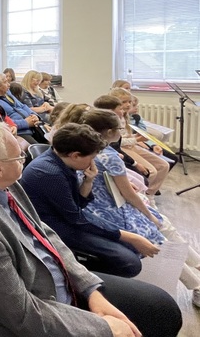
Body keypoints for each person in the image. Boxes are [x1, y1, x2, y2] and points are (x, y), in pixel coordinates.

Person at [0, 121, 182, 337]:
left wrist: (89, 288)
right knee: (156, 316)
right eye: (18, 158)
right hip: (33, 311)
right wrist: (103, 328)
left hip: (53, 283)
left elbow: (45, 234)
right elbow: (21, 314)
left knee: (162, 309)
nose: (24, 160)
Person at [79, 109, 200, 306]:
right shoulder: (108, 155)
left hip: (101, 204)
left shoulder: (88, 149)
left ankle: (197, 267)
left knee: (163, 225)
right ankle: (196, 284)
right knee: (157, 234)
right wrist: (149, 215)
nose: (122, 132)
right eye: (119, 129)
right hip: (108, 210)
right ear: (109, 132)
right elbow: (128, 194)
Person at [20, 123, 159, 278]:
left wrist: (88, 181)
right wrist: (131, 237)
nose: (93, 162)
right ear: (75, 155)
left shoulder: (62, 161)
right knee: (130, 263)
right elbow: (76, 219)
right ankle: (80, 278)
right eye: (92, 157)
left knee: (131, 243)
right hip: (55, 227)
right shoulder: (49, 173)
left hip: (67, 219)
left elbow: (78, 204)